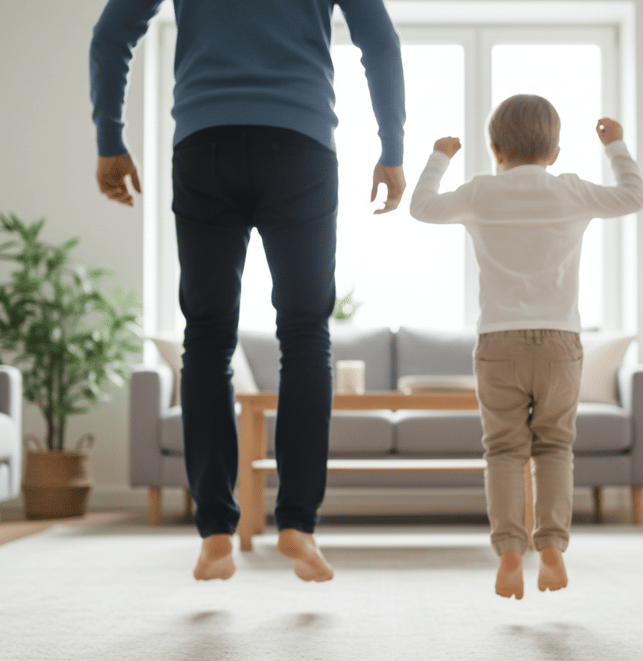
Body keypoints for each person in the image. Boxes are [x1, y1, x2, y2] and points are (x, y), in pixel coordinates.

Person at [90, 0, 406, 582]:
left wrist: (110, 138)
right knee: (306, 335)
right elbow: (380, 43)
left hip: (204, 145)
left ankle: (215, 530)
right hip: (301, 147)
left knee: (207, 339)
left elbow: (112, 35)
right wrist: (392, 149)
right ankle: (297, 525)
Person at [410, 94, 643, 599]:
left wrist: (441, 156)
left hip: (498, 342)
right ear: (555, 152)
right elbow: (633, 197)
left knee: (503, 450)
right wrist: (616, 146)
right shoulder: (572, 191)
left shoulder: (481, 193)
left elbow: (422, 208)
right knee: (555, 446)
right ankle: (553, 546)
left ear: (495, 149)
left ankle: (511, 550)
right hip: (560, 342)